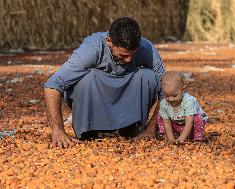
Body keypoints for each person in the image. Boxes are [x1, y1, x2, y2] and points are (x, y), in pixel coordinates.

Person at [43, 17, 165, 148]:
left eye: (132, 54)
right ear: (109, 41)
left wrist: (151, 129)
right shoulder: (91, 48)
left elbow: (166, 90)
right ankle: (90, 130)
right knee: (87, 77)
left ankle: (131, 127)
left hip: (127, 92)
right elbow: (52, 86)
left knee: (148, 76)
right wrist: (58, 130)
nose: (129, 60)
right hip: (97, 91)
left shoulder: (146, 48)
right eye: (123, 55)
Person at [157, 72, 208, 142]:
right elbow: (167, 123)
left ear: (183, 89)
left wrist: (181, 139)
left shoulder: (188, 101)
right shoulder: (164, 103)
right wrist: (171, 140)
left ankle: (197, 137)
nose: (170, 99)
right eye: (166, 95)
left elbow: (189, 123)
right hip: (177, 124)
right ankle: (164, 133)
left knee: (198, 117)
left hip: (192, 126)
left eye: (174, 96)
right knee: (160, 116)